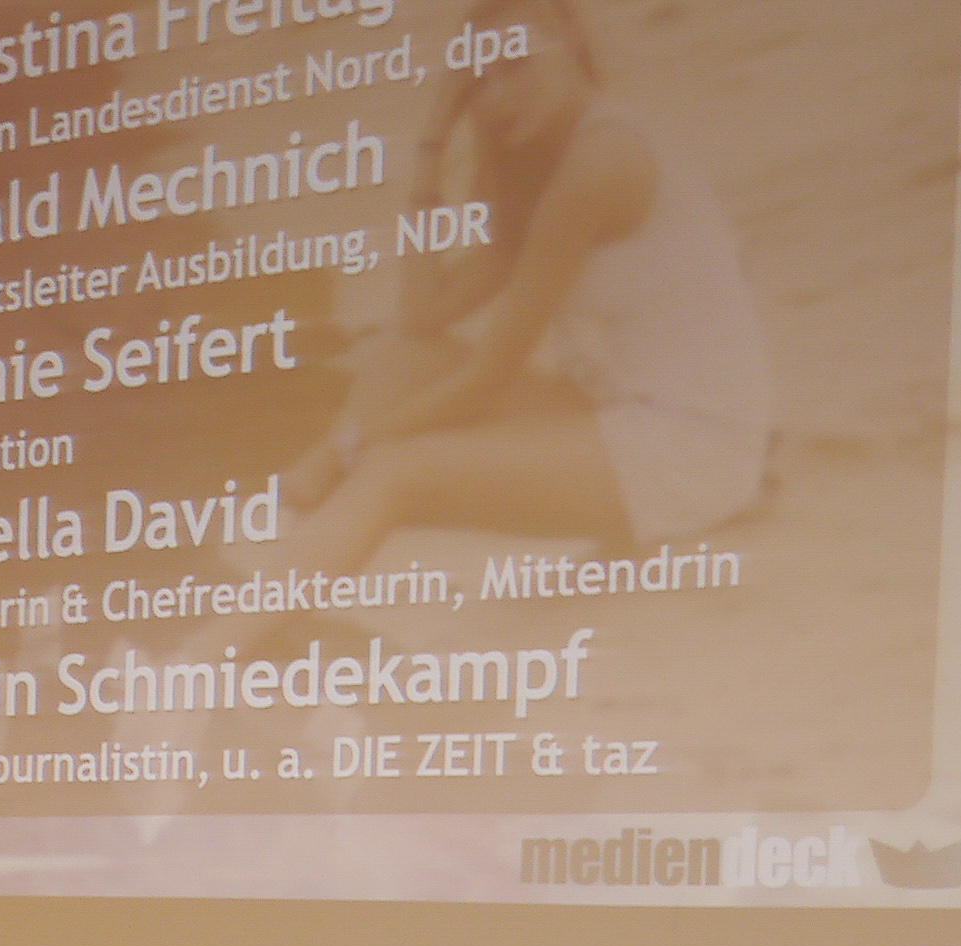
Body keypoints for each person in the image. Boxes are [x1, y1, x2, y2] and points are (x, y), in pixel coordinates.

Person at [272, 0, 771, 578]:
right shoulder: (545, 166)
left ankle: (213, 648)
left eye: (515, 66)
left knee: (390, 467)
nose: (496, 98)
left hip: (692, 448)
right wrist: (432, 136)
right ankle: (274, 596)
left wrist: (346, 451)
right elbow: (419, 317)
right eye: (477, 83)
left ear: (566, 39)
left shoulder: (602, 161)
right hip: (619, 413)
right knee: (403, 360)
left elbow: (489, 377)